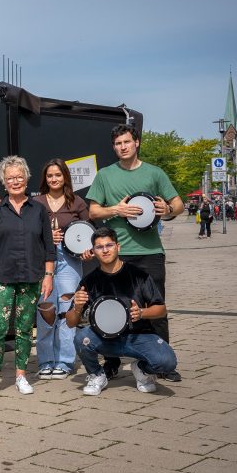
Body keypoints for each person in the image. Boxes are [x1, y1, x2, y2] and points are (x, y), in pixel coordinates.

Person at [86, 125, 184, 382]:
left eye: (127, 142)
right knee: (111, 307)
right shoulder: (105, 175)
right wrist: (116, 210)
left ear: (137, 142)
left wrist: (167, 209)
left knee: (156, 306)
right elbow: (93, 212)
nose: (122, 147)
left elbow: (179, 204)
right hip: (118, 256)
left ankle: (162, 362)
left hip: (150, 252)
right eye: (118, 143)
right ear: (113, 147)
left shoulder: (155, 173)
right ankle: (112, 362)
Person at [0, 155, 55, 397]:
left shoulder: (39, 210)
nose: (15, 181)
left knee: (23, 330)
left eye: (19, 177)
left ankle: (21, 375)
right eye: (10, 178)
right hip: (1, 278)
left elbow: (48, 247)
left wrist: (48, 275)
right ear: (3, 182)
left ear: (27, 178)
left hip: (31, 277)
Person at [66, 227, 178, 396]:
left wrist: (141, 313)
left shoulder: (139, 275)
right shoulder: (89, 281)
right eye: (99, 247)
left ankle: (142, 369)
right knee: (81, 338)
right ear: (93, 251)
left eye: (109, 245)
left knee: (167, 362)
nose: (105, 250)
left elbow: (161, 309)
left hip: (138, 336)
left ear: (118, 247)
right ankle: (97, 374)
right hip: (105, 339)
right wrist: (77, 307)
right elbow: (70, 322)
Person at [32, 158, 93, 380]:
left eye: (58, 175)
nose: (54, 179)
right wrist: (47, 235)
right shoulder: (36, 203)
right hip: (42, 262)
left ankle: (65, 362)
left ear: (65, 177)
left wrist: (88, 249)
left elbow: (89, 233)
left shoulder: (76, 202)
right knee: (46, 310)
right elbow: (27, 234)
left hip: (69, 261)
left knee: (68, 310)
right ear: (45, 179)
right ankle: (46, 361)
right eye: (50, 175)